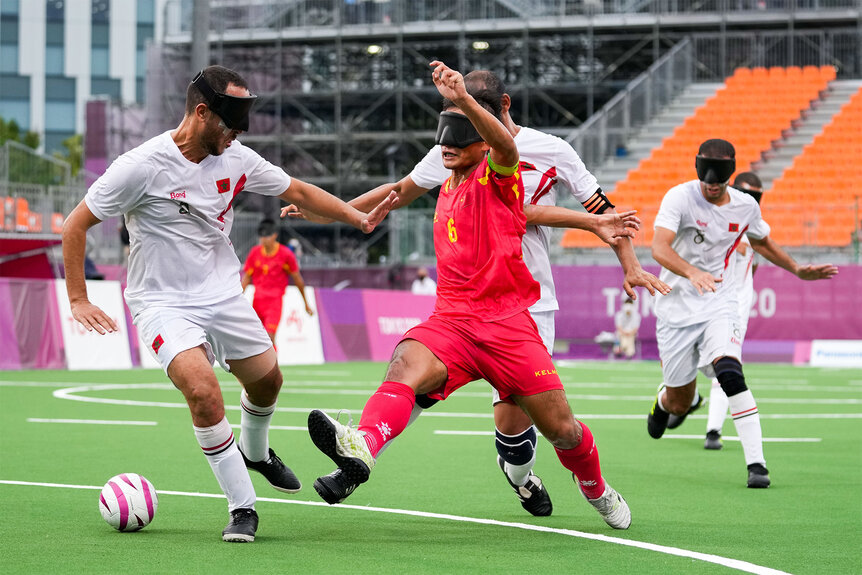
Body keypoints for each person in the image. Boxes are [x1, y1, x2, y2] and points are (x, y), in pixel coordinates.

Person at [286, 69, 668, 517]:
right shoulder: (449, 154)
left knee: (539, 431)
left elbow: (582, 206)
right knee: (407, 366)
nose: (445, 143)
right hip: (455, 315)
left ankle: (574, 484)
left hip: (521, 310)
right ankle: (362, 448)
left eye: (462, 124)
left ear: (493, 112)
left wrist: (628, 261)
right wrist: (341, 213)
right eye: (445, 127)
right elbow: (398, 192)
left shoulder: (520, 157)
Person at [61, 65, 396, 542]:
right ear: (201, 113)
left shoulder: (236, 158)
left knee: (269, 383)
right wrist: (78, 297)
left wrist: (356, 217)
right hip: (161, 302)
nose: (237, 133)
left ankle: (256, 452)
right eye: (230, 123)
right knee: (203, 392)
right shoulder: (140, 166)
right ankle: (243, 507)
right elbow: (75, 225)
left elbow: (298, 190)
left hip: (222, 293)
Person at [647, 139, 837, 488]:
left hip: (720, 301)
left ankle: (757, 465)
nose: (710, 186)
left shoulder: (745, 207)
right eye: (706, 181)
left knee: (730, 373)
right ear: (698, 171)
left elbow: (762, 241)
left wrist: (796, 269)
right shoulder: (679, 197)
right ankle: (664, 402)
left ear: (728, 177)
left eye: (717, 182)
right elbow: (659, 245)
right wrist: (692, 272)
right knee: (679, 401)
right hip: (676, 305)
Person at [699, 172, 764, 450]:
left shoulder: (755, 226)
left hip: (736, 306)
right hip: (711, 301)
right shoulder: (719, 222)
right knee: (702, 366)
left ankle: (713, 429)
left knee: (726, 366)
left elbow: (755, 262)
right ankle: (679, 398)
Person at [242, 218, 313, 344]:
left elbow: (298, 280)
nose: (264, 239)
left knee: (269, 337)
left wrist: (306, 303)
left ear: (275, 235)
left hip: (274, 303)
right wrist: (238, 299)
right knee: (256, 340)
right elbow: (246, 278)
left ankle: (273, 364)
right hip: (257, 302)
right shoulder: (255, 253)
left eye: (267, 235)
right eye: (262, 236)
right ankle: (262, 364)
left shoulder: (286, 255)